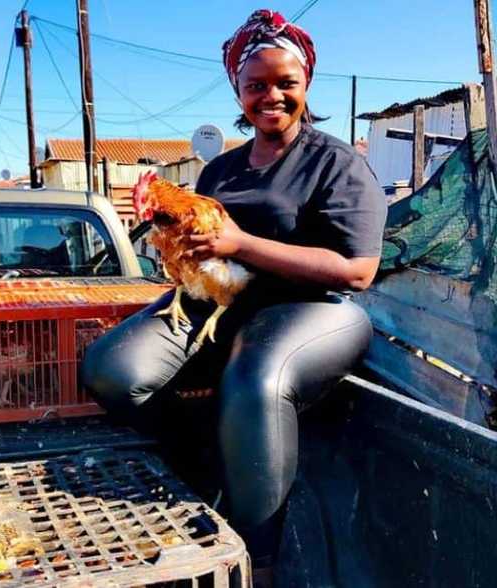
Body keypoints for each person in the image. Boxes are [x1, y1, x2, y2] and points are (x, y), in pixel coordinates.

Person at [80, 9, 387, 577]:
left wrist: (240, 242)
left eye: (285, 83)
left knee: (255, 384)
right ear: (239, 93)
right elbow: (198, 239)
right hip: (218, 302)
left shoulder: (335, 163)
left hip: (311, 307)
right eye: (256, 86)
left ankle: (259, 559)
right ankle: (208, 470)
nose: (271, 96)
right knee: (110, 368)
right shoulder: (219, 169)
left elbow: (357, 271)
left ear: (306, 86)